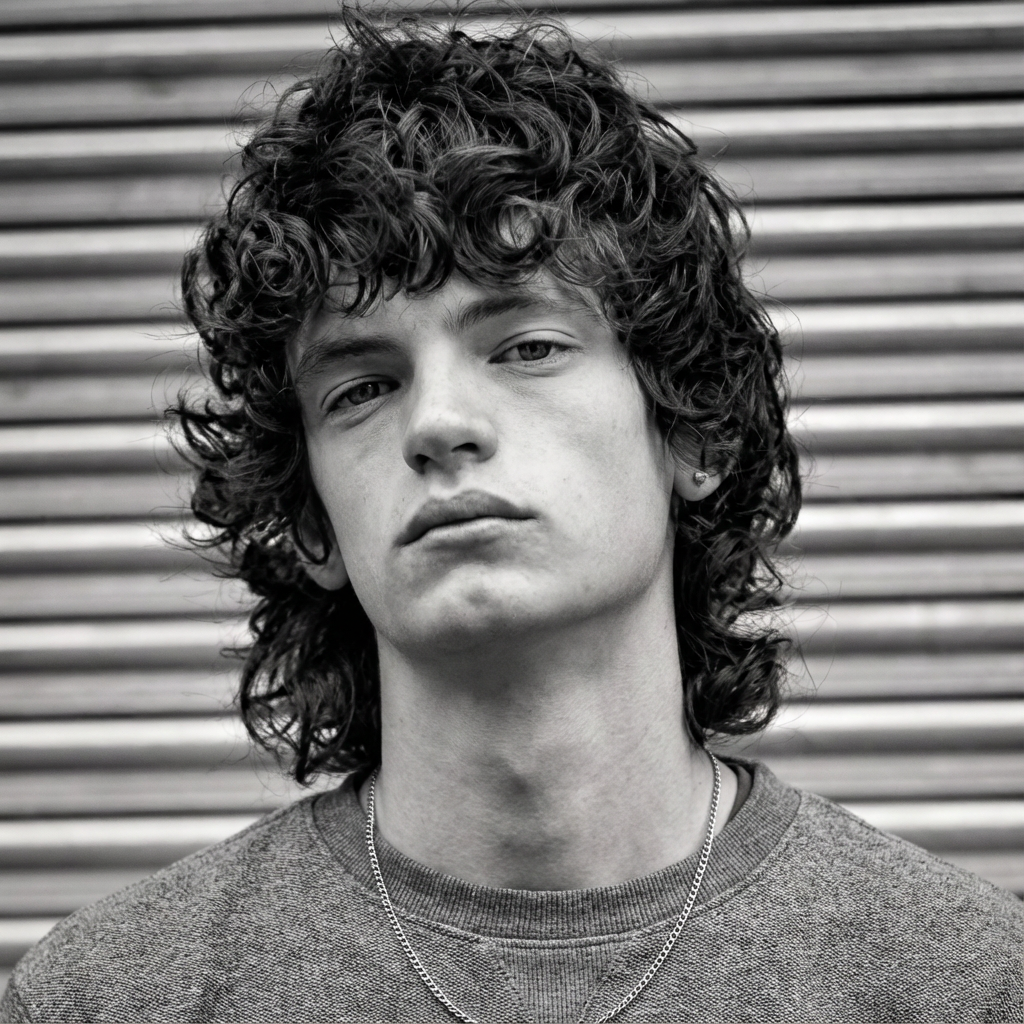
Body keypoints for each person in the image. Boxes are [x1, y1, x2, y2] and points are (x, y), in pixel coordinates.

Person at [2, 11, 1020, 1024]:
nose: (439, 423)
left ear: (692, 433)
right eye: (359, 388)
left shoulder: (967, 986)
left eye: (526, 346)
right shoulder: (102, 998)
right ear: (311, 522)